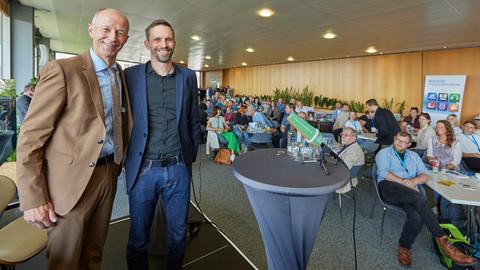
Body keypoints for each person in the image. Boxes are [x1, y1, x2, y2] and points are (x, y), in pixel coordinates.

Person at [16, 8, 131, 270]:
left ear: (126, 38)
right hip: (70, 182)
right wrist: (33, 197)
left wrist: (116, 168)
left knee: (93, 252)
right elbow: (30, 138)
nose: (112, 37)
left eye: (120, 32)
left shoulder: (120, 74)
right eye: (105, 29)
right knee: (65, 259)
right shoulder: (62, 70)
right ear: (91, 30)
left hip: (108, 173)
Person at [123, 19, 201, 270]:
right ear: (147, 43)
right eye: (157, 39)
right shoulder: (130, 76)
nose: (163, 44)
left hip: (178, 168)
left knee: (178, 236)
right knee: (138, 238)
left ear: (174, 43)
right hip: (143, 169)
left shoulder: (188, 76)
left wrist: (190, 158)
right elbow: (121, 118)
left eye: (168, 39)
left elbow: (192, 118)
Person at [375, 132, 476, 267]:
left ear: (409, 144)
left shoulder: (413, 155)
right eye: (398, 140)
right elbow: (383, 173)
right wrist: (405, 182)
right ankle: (445, 243)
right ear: (394, 138)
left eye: (404, 142)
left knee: (417, 215)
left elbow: (425, 174)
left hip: (409, 192)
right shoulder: (383, 153)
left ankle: (404, 247)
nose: (400, 143)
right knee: (418, 197)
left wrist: (414, 181)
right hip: (388, 187)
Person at [335, 128, 365, 193]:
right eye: (342, 134)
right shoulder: (352, 146)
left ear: (353, 138)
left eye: (346, 135)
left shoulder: (353, 152)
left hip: (343, 179)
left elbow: (342, 168)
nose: (342, 136)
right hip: (344, 173)